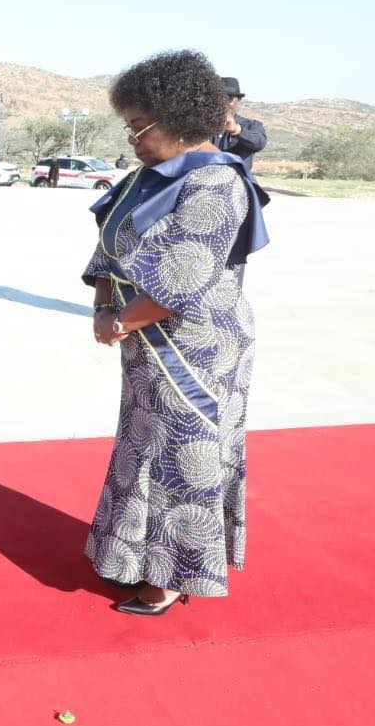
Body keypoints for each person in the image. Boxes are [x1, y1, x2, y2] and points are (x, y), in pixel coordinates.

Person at [82, 50, 270, 616]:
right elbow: (106, 247)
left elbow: (180, 281)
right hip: (143, 344)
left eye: (139, 126)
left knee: (183, 458)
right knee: (141, 451)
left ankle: (170, 578)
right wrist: (102, 307)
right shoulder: (144, 177)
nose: (132, 138)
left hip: (197, 350)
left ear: (178, 119)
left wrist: (118, 322)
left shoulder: (217, 183)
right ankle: (133, 557)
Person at [211, 77, 267, 171]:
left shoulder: (251, 125)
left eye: (229, 98)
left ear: (239, 99)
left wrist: (237, 131)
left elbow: (259, 143)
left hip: (237, 179)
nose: (224, 103)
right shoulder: (204, 125)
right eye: (220, 99)